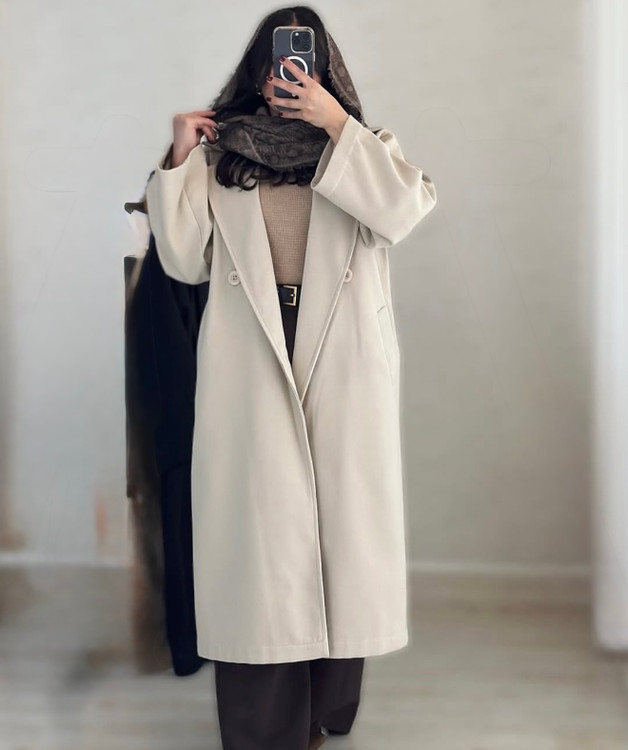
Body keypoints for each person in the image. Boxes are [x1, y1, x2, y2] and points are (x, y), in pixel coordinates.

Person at [143, 6, 437, 750]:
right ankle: (264, 730)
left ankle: (325, 713)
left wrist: (337, 124)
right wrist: (177, 158)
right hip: (251, 352)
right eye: (278, 60)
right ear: (259, 67)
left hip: (343, 359)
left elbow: (402, 213)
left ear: (326, 68)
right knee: (259, 555)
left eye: (304, 60)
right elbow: (182, 260)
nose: (290, 73)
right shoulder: (220, 156)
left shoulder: (365, 148)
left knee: (341, 544)